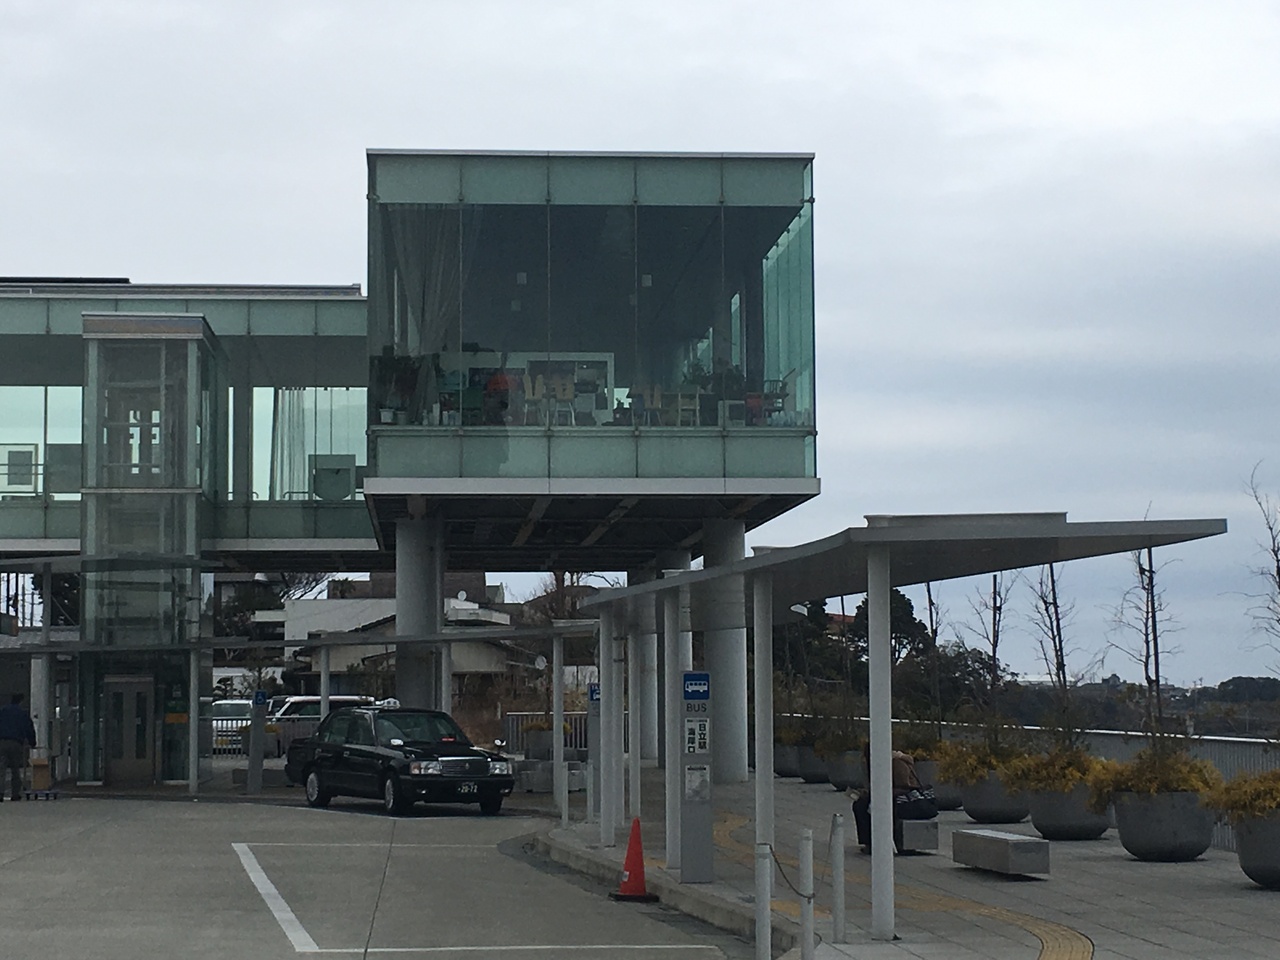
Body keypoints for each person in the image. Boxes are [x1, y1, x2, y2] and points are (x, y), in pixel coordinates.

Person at [851, 743, 924, 854]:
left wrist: (881, 791)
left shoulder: (896, 761)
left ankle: (876, 840)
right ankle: (868, 840)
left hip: (901, 796)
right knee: (860, 804)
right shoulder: (872, 765)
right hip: (886, 793)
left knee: (872, 806)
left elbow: (904, 785)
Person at [0, 693, 37, 801]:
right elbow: (29, 728)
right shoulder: (22, 713)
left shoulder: (3, 711)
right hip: (16, 743)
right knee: (15, 769)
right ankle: (15, 794)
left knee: (1, 769)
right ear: (21, 701)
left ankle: (0, 793)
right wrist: (32, 743)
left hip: (2, 742)